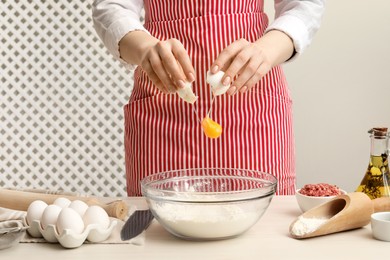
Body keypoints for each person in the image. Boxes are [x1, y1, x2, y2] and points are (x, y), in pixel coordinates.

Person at [92, 0, 325, 196]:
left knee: (264, 234)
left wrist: (265, 51)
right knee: (159, 237)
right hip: (162, 115)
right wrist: (145, 49)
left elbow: (304, 5)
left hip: (253, 111)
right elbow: (111, 6)